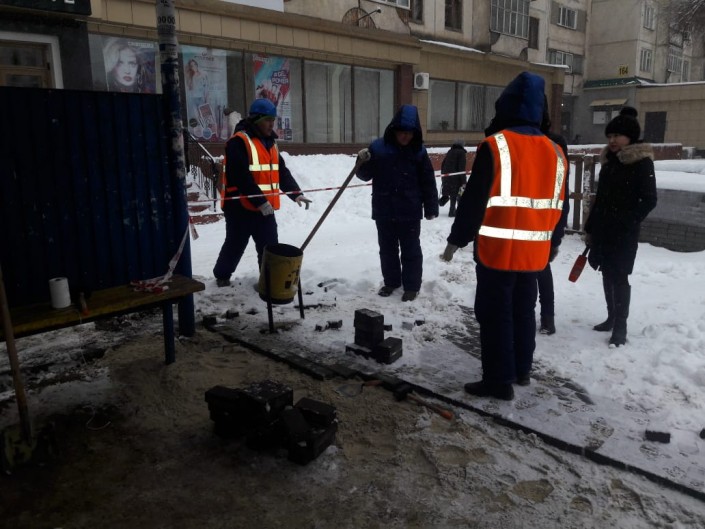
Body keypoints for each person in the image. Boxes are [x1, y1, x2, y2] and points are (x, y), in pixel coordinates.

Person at [441, 72, 568, 400]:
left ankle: (498, 380)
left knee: (495, 313)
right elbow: (560, 204)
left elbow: (474, 199)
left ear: (505, 106)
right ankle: (521, 370)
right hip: (533, 255)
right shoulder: (555, 151)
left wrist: (457, 238)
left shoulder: (495, 146)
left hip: (497, 251)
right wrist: (553, 244)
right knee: (524, 310)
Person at [212, 98, 312, 287]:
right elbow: (241, 176)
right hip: (239, 207)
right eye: (268, 120)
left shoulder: (271, 144)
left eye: (273, 120)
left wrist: (296, 193)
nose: (271, 124)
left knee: (269, 246)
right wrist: (261, 201)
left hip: (264, 208)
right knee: (235, 244)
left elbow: (281, 172)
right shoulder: (239, 142)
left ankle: (268, 282)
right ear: (256, 120)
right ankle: (222, 276)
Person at [584, 107, 657, 347]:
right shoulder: (610, 162)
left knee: (620, 275)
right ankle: (611, 317)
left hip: (624, 232)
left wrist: (628, 220)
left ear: (630, 137)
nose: (612, 140)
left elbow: (649, 199)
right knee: (606, 271)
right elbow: (601, 198)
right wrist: (591, 226)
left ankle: (621, 326)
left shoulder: (641, 163)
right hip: (604, 228)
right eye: (610, 136)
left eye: (617, 136)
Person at [355, 104, 439, 302]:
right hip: (384, 208)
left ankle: (411, 286)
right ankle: (391, 282)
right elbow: (363, 175)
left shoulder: (418, 152)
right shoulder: (378, 148)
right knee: (387, 249)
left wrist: (431, 207)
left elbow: (428, 180)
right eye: (402, 133)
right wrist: (361, 160)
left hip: (409, 209)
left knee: (411, 249)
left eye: (409, 133)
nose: (405, 137)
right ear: (394, 130)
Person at [537, 97, 570, 335]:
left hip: (541, 223)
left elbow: (561, 193)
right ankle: (546, 316)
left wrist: (556, 236)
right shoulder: (556, 143)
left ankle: (547, 316)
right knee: (540, 272)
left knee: (539, 271)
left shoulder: (555, 144)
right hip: (541, 223)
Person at [439, 139, 468, 217]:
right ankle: (457, 211)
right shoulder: (461, 153)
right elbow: (461, 168)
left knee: (453, 194)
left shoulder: (450, 151)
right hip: (456, 178)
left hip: (447, 177)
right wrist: (464, 181)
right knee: (459, 194)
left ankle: (452, 211)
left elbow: (443, 164)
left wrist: (444, 177)